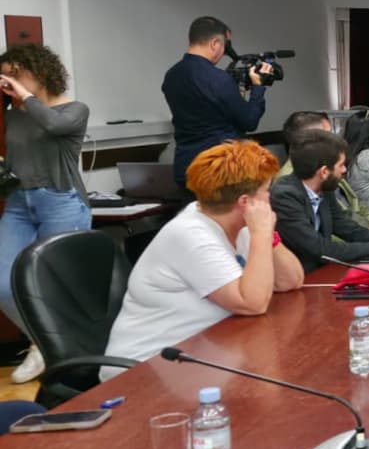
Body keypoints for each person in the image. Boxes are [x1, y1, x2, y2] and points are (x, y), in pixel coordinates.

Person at [102, 141, 304, 378]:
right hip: (145, 370)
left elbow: (290, 280)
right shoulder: (190, 234)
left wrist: (267, 235)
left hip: (206, 353)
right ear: (245, 202)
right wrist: (261, 234)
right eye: (266, 190)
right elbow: (252, 303)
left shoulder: (240, 224)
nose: (270, 197)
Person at [0, 44, 91, 385]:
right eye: (4, 77)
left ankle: (68, 356)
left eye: (15, 74)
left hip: (62, 201)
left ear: (40, 72)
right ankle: (42, 342)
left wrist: (25, 96)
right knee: (4, 284)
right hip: (19, 203)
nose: (9, 82)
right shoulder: (13, 115)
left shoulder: (74, 110)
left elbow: (52, 125)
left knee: (58, 284)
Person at [271, 130, 369, 272]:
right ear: (324, 172)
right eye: (341, 165)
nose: (344, 170)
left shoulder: (324, 187)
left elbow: (350, 230)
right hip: (300, 277)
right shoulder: (285, 196)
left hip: (325, 273)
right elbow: (320, 249)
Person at [162, 16, 274, 189]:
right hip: (217, 170)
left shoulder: (171, 75)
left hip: (185, 168)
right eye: (224, 46)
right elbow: (249, 121)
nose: (223, 52)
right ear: (214, 43)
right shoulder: (218, 78)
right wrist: (258, 86)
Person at [278, 111, 369, 230]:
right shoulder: (290, 182)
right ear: (309, 140)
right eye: (328, 134)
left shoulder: (327, 163)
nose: (334, 139)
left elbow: (355, 203)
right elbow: (326, 230)